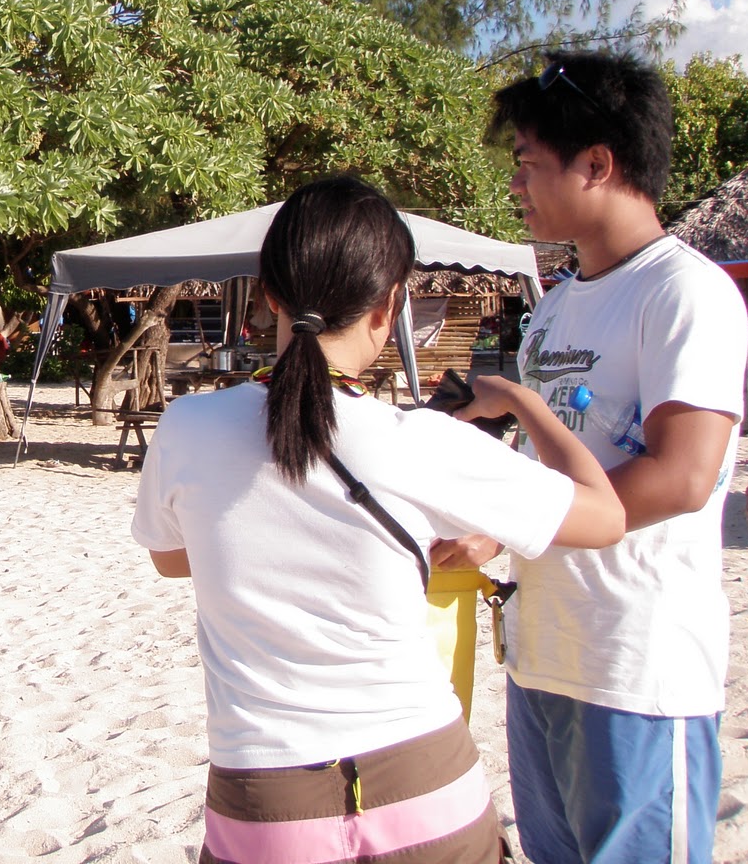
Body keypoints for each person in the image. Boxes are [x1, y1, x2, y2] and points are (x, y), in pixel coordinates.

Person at [132, 174, 625, 864]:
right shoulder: (416, 441)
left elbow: (172, 557)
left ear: (267, 292)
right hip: (426, 786)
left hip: (265, 801)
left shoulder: (187, 427)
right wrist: (522, 402)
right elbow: (605, 516)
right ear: (391, 305)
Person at [435, 49, 748, 863]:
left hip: (637, 663)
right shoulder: (554, 309)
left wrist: (510, 531)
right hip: (545, 653)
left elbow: (683, 475)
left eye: (528, 166)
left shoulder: (686, 293)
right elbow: (549, 467)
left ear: (598, 165)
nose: (516, 186)